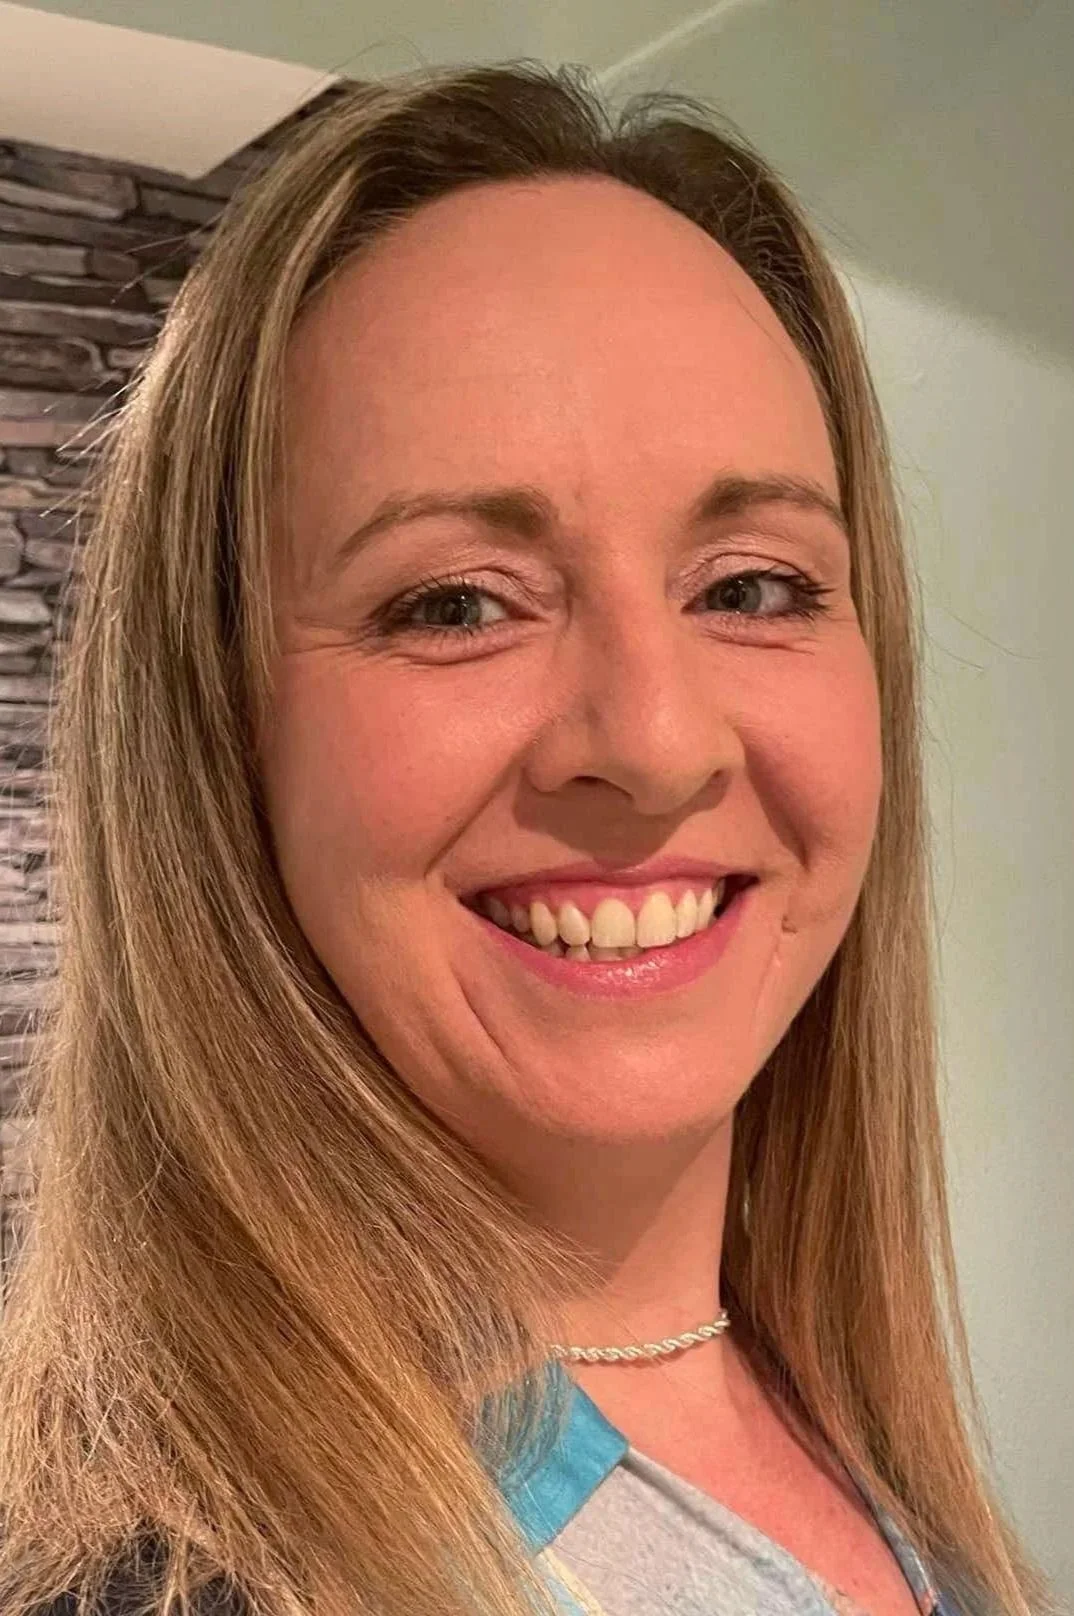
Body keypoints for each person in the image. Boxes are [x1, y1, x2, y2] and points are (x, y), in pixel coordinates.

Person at [0, 59, 1056, 1616]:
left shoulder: (841, 1420)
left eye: (751, 587)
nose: (650, 740)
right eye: (453, 604)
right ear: (219, 739)